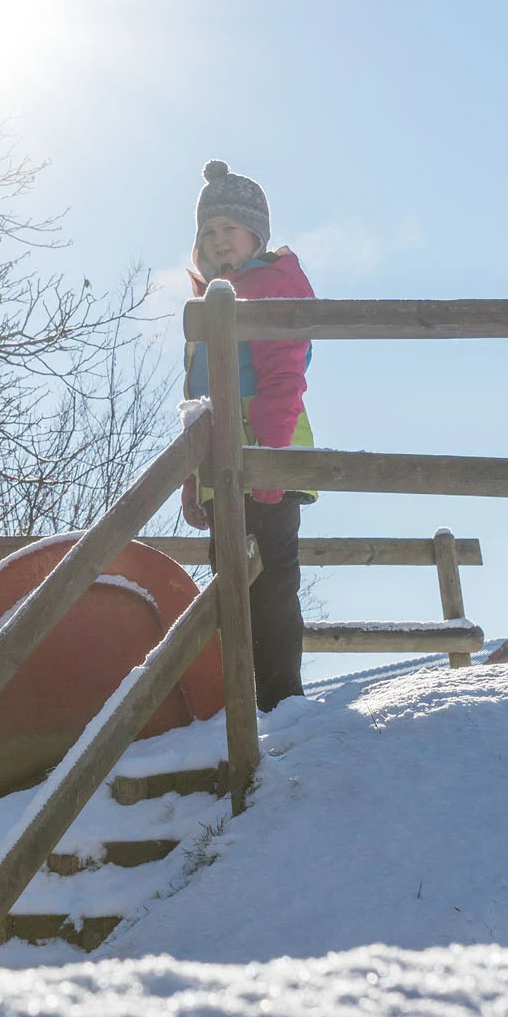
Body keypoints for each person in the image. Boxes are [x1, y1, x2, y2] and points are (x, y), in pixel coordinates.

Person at [179, 159, 315, 711]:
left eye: (228, 230)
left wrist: (271, 464)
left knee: (273, 584)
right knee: (229, 584)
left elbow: (284, 380)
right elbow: (198, 404)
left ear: (255, 233)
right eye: (208, 233)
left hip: (266, 462)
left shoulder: (269, 287)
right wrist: (194, 480)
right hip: (220, 470)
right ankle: (241, 699)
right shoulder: (209, 302)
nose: (218, 242)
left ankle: (281, 701)